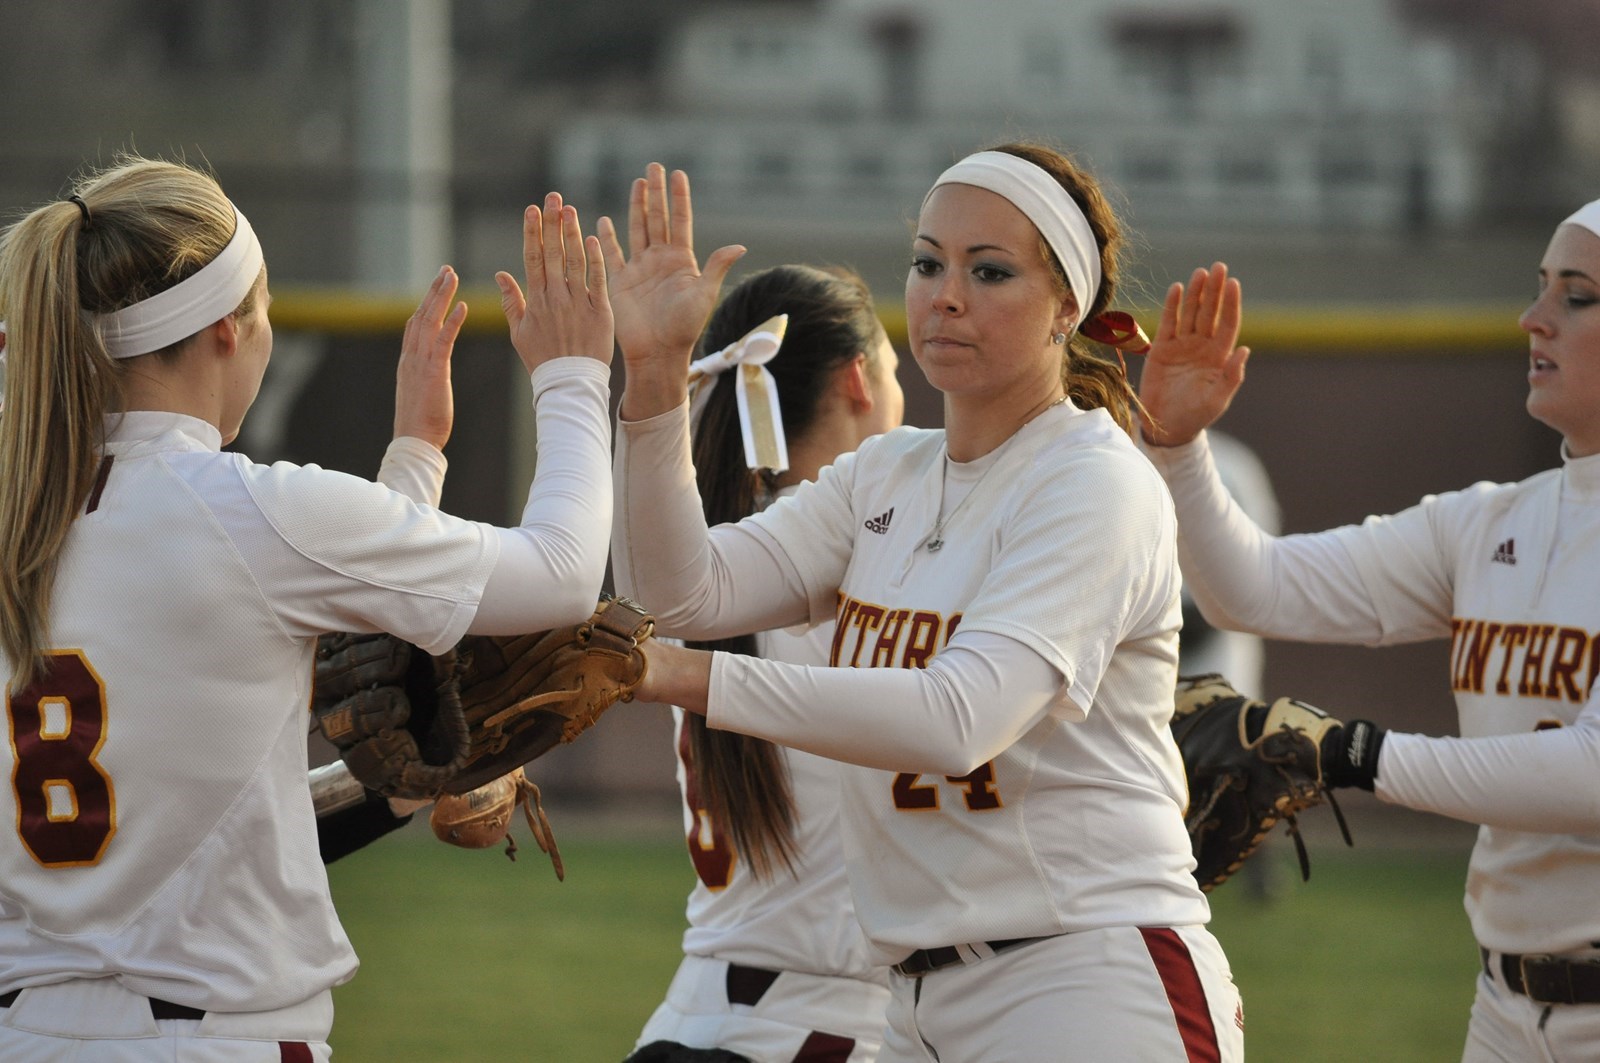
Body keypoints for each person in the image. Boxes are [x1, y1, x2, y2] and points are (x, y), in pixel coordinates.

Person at [604, 154, 1245, 1061]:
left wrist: (685, 674)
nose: (945, 294)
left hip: (1084, 986)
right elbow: (684, 593)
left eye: (990, 270)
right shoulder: (887, 472)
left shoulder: (1095, 479)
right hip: (909, 1005)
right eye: (927, 262)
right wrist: (656, 381)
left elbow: (958, 718)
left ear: (1069, 308)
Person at [0, 156, 615, 1061]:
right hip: (207, 1040)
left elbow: (210, 798)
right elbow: (564, 575)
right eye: (265, 312)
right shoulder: (253, 507)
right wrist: (573, 378)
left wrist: (415, 457)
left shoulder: (23, 507)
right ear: (223, 330)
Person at [1134, 212, 1600, 1059]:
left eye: (1578, 296)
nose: (1535, 318)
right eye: (1539, 289)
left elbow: (1591, 773)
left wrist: (1352, 753)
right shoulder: (1491, 521)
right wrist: (1178, 446)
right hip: (1504, 1005)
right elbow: (1257, 587)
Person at [625, 264, 904, 1063]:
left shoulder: (706, 561)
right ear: (858, 380)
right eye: (889, 369)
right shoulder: (873, 564)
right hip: (830, 1025)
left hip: (683, 1020)